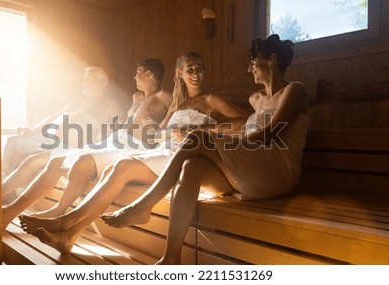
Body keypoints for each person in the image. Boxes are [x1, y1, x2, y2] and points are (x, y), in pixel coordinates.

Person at [100, 34, 310, 264]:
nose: (250, 68)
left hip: (276, 170)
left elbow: (270, 134)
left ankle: (145, 205)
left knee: (197, 136)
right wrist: (218, 140)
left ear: (271, 59)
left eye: (254, 60)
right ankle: (171, 258)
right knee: (192, 168)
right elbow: (244, 133)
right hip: (252, 167)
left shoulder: (294, 91)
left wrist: (211, 137)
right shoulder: (255, 100)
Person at [17, 51, 248, 255]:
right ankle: (69, 236)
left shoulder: (212, 99)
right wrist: (153, 129)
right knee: (112, 168)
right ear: (180, 73)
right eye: (190, 69)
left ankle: (66, 220)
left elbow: (243, 122)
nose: (196, 73)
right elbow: (159, 135)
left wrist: (198, 130)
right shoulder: (179, 104)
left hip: (182, 157)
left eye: (200, 68)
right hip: (163, 150)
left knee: (122, 167)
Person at [2, 58, 173, 229]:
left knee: (79, 162)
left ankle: (58, 211)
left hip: (134, 147)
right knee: (55, 162)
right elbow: (127, 124)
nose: (135, 77)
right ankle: (9, 211)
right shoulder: (137, 97)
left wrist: (154, 129)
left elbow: (172, 127)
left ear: (148, 74)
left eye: (138, 72)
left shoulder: (165, 96)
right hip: (115, 139)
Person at [1, 66, 120, 203]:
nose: (83, 83)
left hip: (70, 147)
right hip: (49, 140)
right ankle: (6, 186)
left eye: (87, 80)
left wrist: (97, 145)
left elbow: (114, 130)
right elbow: (53, 117)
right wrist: (33, 130)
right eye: (84, 79)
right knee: (14, 141)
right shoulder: (77, 101)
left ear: (101, 82)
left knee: (27, 154)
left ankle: (4, 192)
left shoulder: (109, 105)